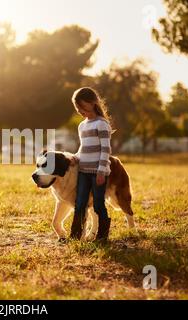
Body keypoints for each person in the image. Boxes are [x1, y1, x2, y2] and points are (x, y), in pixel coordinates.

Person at [70, 87, 113, 243]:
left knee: (98, 204)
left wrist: (101, 171)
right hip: (83, 171)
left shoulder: (101, 124)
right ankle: (75, 236)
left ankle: (102, 237)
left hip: (97, 173)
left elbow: (105, 149)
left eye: (83, 106)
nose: (80, 110)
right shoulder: (82, 126)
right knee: (80, 203)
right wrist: (76, 157)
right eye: (78, 108)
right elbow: (83, 148)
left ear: (93, 102)